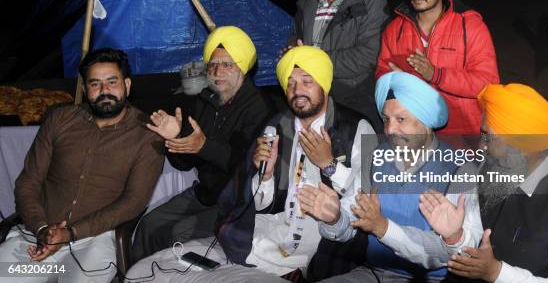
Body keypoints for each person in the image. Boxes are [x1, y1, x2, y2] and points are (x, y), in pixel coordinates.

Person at [126, 46, 375, 282]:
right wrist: (264, 177)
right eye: (290, 82)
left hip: (325, 239)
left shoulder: (358, 129)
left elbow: (363, 208)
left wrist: (328, 164)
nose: (297, 90)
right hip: (275, 229)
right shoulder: (278, 126)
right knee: (181, 265)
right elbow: (259, 202)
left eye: (307, 82)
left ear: (324, 83)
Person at [0, 48, 164, 283]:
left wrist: (70, 233)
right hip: (38, 238)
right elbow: (29, 181)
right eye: (95, 84)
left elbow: (134, 201)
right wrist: (41, 228)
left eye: (112, 82)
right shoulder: (59, 120)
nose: (104, 91)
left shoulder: (147, 134)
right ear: (86, 90)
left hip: (93, 241)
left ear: (127, 85)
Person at [300, 71, 483, 282]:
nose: (389, 129)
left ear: (426, 123)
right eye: (386, 119)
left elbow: (457, 251)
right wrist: (335, 218)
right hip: (375, 274)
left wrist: (383, 227)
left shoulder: (459, 169)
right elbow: (349, 224)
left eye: (401, 119)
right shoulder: (376, 157)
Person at [132, 26, 273, 261]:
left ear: (242, 67)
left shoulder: (260, 108)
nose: (218, 71)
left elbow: (249, 167)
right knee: (149, 224)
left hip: (237, 203)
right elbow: (184, 164)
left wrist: (204, 146)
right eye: (213, 64)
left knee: (177, 235)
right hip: (205, 194)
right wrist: (175, 137)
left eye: (227, 64)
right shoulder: (205, 100)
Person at [446, 83, 548, 282]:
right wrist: (455, 236)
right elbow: (475, 237)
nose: (482, 146)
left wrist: (496, 273)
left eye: (489, 138)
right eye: (482, 134)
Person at [376, 0, 499, 134]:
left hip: (462, 133)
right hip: (414, 132)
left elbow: (488, 84)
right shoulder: (395, 30)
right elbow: (382, 73)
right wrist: (403, 84)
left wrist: (436, 75)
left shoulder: (471, 27)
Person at [291, 0, 390, 130]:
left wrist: (314, 62)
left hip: (356, 97)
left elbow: (367, 56)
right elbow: (297, 38)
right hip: (315, 96)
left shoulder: (370, 1)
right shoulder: (307, 2)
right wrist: (293, 52)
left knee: (359, 155)